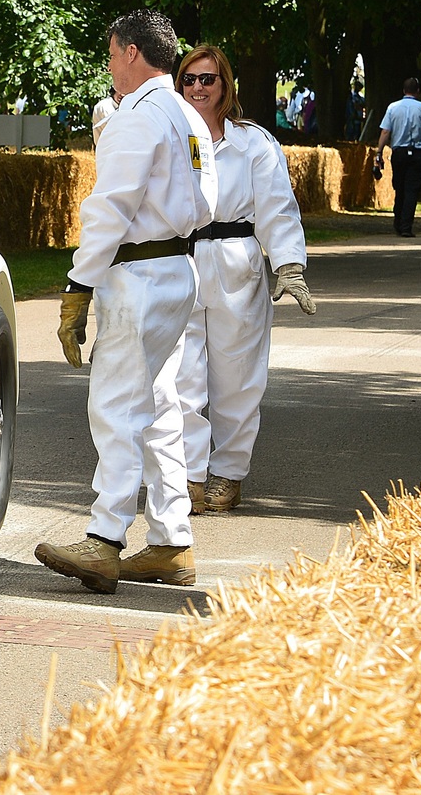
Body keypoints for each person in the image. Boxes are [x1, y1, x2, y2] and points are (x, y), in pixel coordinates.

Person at [35, 9, 216, 595]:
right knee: (161, 407)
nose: (111, 67)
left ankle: (105, 538)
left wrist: (78, 283)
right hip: (178, 265)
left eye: (112, 55)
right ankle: (170, 540)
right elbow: (207, 205)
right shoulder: (188, 115)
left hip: (138, 272)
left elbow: (108, 208)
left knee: (115, 406)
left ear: (132, 52)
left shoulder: (137, 115)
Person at [172, 45, 314, 517]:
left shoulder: (253, 142)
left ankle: (228, 473)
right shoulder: (169, 137)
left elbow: (277, 205)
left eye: (207, 79)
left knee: (236, 377)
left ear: (225, 85)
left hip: (237, 263)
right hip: (183, 260)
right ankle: (188, 475)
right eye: (189, 79)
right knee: (181, 376)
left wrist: (289, 264)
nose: (197, 88)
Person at [373, 78, 421, 237]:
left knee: (399, 187)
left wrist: (379, 152)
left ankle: (398, 221)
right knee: (412, 189)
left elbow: (385, 132)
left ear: (403, 91)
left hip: (399, 153)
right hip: (416, 153)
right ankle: (406, 226)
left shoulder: (393, 108)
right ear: (418, 91)